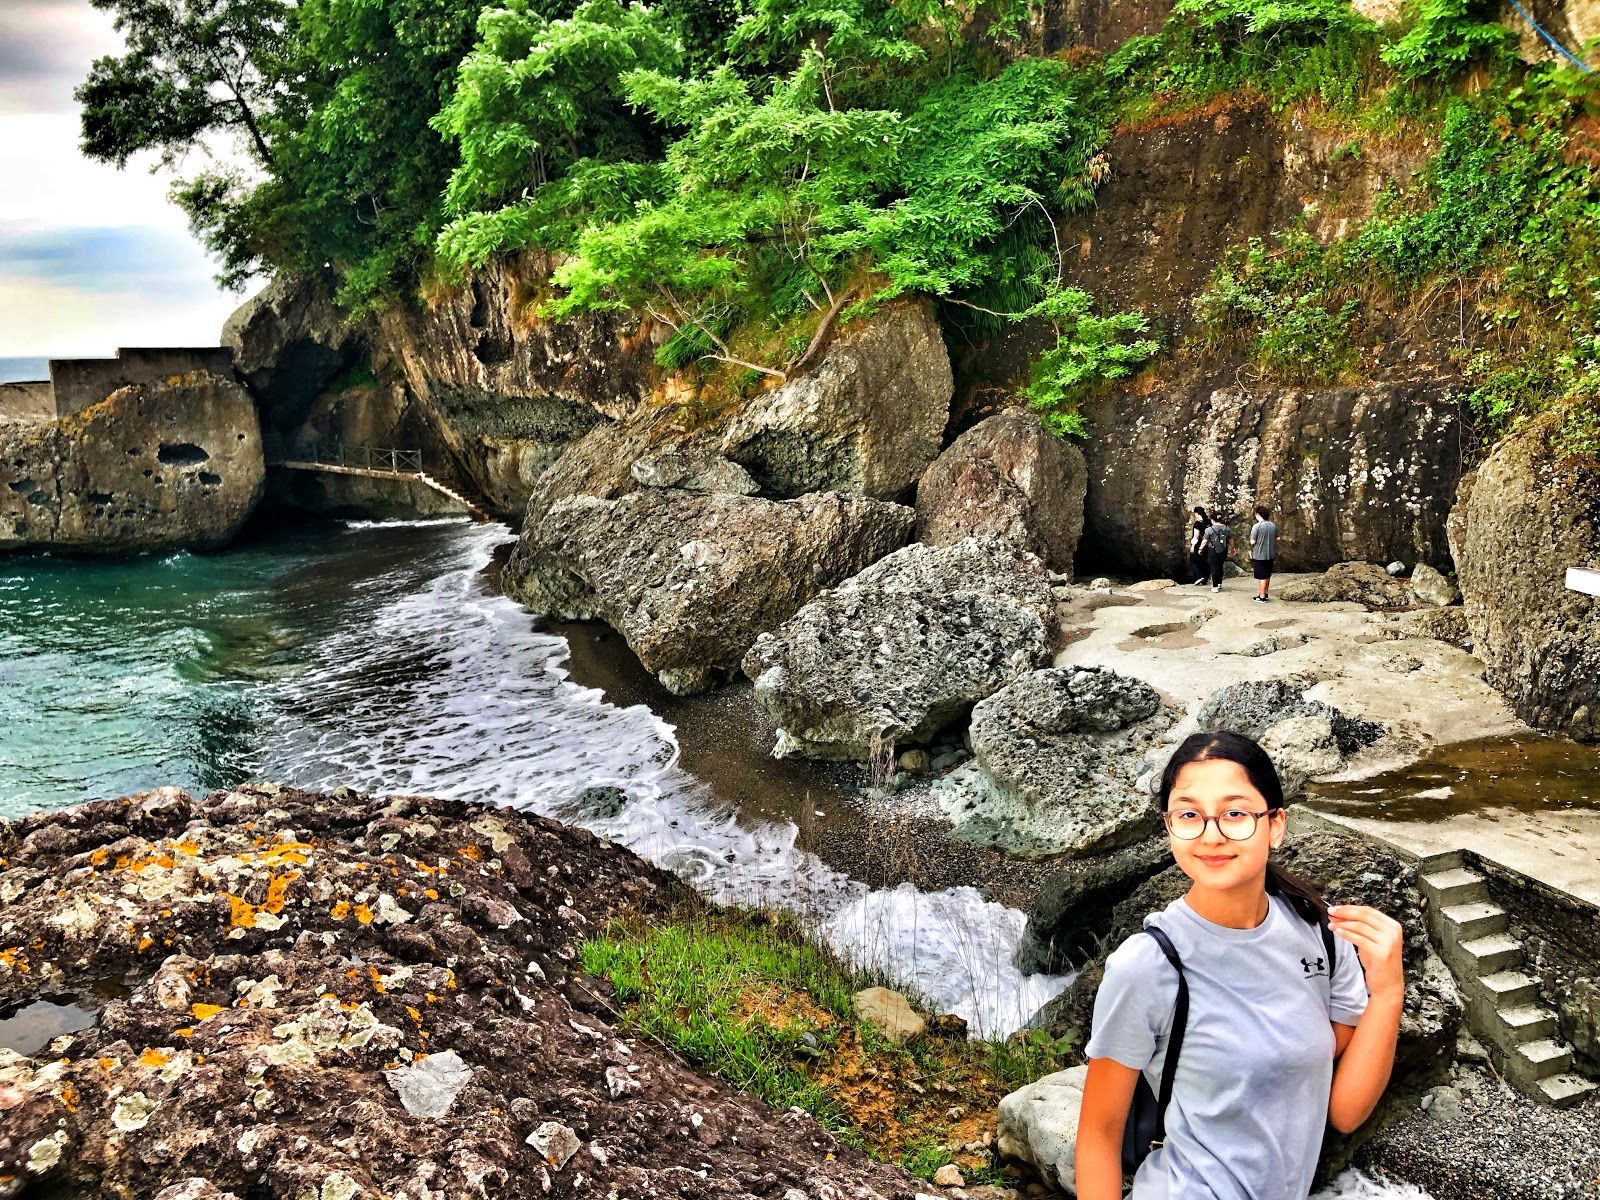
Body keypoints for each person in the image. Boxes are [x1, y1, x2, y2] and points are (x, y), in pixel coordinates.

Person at [1074, 731, 1405, 1200]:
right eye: (1189, 814)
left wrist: (1389, 991)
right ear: (1169, 826)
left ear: (1275, 825)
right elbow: (1098, 1137)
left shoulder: (1320, 935)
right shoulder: (1148, 965)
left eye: (1234, 813)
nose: (1211, 835)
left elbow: (1343, 1110)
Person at [1250, 505, 1278, 602]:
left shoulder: (1257, 526)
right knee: (1267, 575)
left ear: (1258, 514)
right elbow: (1277, 538)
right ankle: (1265, 593)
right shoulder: (1273, 525)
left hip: (1260, 554)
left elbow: (1252, 541)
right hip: (1270, 553)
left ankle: (1261, 596)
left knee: (1261, 576)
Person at [1202, 513, 1233, 592]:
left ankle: (1215, 586)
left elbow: (1205, 541)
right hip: (1224, 550)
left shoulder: (1209, 529)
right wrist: (1233, 548)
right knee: (1220, 566)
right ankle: (1219, 583)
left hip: (1213, 550)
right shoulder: (1226, 528)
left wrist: (1200, 548)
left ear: (1212, 520)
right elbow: (1230, 539)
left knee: (1214, 567)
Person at [1187, 507, 1210, 585]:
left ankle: (1199, 576)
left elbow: (1196, 536)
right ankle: (1205, 579)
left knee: (1193, 561)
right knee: (1203, 562)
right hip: (1206, 545)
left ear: (1197, 513)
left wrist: (1193, 546)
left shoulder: (1197, 523)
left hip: (1198, 546)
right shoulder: (1208, 522)